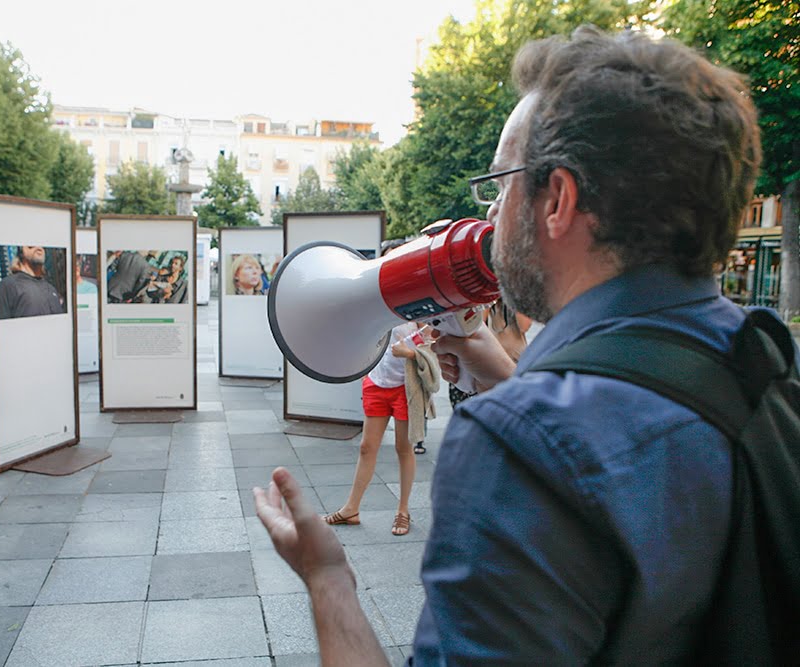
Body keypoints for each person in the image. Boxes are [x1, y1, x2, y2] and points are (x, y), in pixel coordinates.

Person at [254, 26, 765, 663]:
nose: (492, 216)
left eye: (502, 184)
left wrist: (327, 577)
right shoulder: (767, 372)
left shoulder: (518, 444)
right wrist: (487, 363)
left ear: (560, 202)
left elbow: (571, 445)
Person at [323, 322, 429, 536]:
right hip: (376, 383)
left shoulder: (416, 303)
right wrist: (365, 370)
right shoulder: (381, 301)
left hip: (405, 387)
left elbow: (431, 340)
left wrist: (409, 353)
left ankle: (403, 510)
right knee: (366, 447)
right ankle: (351, 509)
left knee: (403, 448)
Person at [0, 246, 64, 319]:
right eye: (32, 245)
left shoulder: (51, 289)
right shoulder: (8, 285)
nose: (39, 247)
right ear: (21, 251)